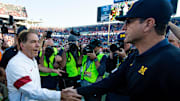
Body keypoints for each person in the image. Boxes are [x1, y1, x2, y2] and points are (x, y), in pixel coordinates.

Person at [62, 0, 180, 100]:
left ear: (148, 24)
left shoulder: (174, 62)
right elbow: (109, 82)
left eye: (128, 21)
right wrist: (77, 92)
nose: (123, 27)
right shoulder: (135, 56)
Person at [5, 29, 81, 101]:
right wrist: (60, 95)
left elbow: (40, 67)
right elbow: (32, 91)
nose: (38, 45)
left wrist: (53, 70)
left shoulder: (31, 60)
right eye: (33, 42)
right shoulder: (16, 64)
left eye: (38, 42)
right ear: (22, 45)